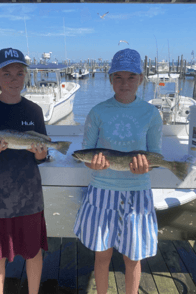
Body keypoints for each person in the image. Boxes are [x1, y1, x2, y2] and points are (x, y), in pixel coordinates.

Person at [73, 48, 163, 294]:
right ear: (110, 79)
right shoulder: (98, 112)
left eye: (131, 77)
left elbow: (154, 155)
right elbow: (87, 153)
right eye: (118, 77)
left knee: (133, 259)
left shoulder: (151, 113)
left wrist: (146, 167)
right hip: (102, 191)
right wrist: (93, 164)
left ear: (141, 79)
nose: (125, 83)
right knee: (102, 257)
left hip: (138, 192)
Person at [0, 48, 48, 294]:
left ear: (26, 76)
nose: (14, 79)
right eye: (7, 73)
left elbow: (41, 157)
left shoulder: (34, 111)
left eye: (19, 73)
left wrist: (40, 153)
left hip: (30, 197)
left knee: (33, 252)